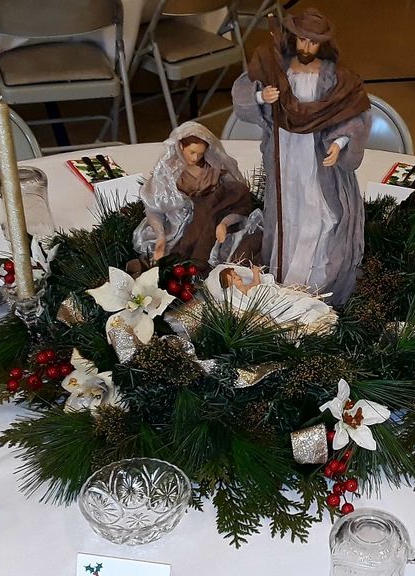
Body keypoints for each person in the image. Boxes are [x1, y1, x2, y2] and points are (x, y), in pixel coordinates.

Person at [231, 8, 371, 305]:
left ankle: (315, 281)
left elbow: (350, 113)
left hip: (317, 158)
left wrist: (340, 142)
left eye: (313, 42)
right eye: (302, 40)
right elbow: (245, 92)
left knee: (320, 212)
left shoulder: (334, 76)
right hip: (284, 153)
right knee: (287, 210)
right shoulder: (275, 67)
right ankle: (283, 272)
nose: (306, 48)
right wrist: (261, 97)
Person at [134, 121, 255, 269]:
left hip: (211, 217)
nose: (195, 158)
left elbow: (237, 199)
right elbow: (154, 208)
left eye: (200, 153)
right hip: (177, 223)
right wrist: (160, 237)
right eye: (192, 152)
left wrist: (224, 223)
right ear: (180, 146)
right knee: (171, 256)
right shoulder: (168, 173)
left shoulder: (214, 170)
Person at [206, 263, 338, 334]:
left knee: (292, 297)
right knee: (285, 308)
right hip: (267, 303)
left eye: (236, 274)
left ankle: (305, 306)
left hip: (273, 296)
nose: (238, 277)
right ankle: (298, 313)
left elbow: (256, 284)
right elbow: (249, 304)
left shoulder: (247, 286)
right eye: (234, 278)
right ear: (230, 286)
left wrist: (255, 273)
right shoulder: (238, 295)